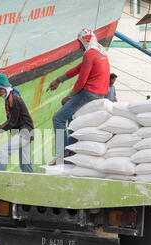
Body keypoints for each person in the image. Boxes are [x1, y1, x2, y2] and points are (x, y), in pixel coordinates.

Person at [47, 28, 110, 165]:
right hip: (100, 93)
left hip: (89, 93)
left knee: (58, 119)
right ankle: (72, 150)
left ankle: (61, 155)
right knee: (72, 117)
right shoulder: (99, 51)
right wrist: (59, 80)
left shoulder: (89, 54)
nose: (79, 46)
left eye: (79, 43)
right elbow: (78, 69)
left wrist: (68, 97)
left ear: (83, 41)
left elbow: (81, 81)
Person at [0, 73, 34, 173]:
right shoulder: (10, 97)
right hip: (26, 132)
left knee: (3, 150)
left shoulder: (13, 99)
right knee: (25, 164)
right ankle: (31, 182)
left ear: (4, 88)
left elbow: (12, 122)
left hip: (24, 132)